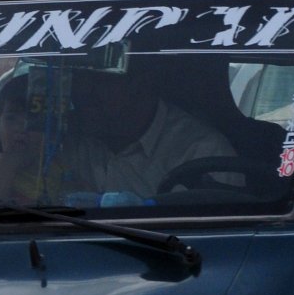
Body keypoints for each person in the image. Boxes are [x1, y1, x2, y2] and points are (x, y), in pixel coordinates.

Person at [59, 67, 237, 200]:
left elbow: (217, 232)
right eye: (78, 78)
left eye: (99, 80)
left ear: (141, 84)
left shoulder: (202, 152)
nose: (82, 91)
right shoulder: (64, 137)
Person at [0, 73, 63, 206]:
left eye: (33, 119)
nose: (21, 128)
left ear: (50, 128)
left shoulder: (59, 166)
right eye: (11, 118)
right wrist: (10, 162)